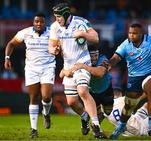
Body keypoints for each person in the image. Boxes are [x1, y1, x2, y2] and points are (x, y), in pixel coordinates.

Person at [48, 2, 106, 139]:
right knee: (72, 102)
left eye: (59, 16)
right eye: (55, 16)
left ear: (66, 14)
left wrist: (83, 34)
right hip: (68, 67)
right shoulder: (55, 27)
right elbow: (51, 46)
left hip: (82, 63)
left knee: (83, 91)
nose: (57, 19)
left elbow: (96, 38)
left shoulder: (81, 22)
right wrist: (53, 50)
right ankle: (84, 117)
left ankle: (96, 125)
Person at [4, 12, 55, 138]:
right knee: (33, 98)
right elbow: (11, 43)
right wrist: (7, 58)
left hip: (48, 67)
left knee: (46, 97)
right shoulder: (25, 32)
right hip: (31, 69)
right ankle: (33, 129)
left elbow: (61, 47)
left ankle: (46, 114)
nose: (38, 24)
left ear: (45, 23)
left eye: (41, 22)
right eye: (36, 21)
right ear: (33, 22)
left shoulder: (52, 33)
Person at [60, 45, 114, 125]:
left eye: (96, 55)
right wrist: (65, 72)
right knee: (95, 115)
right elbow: (61, 74)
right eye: (92, 56)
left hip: (105, 89)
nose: (95, 58)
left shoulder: (103, 59)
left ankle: (102, 116)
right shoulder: (80, 60)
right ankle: (96, 127)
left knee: (108, 111)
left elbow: (99, 73)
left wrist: (84, 67)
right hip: (91, 91)